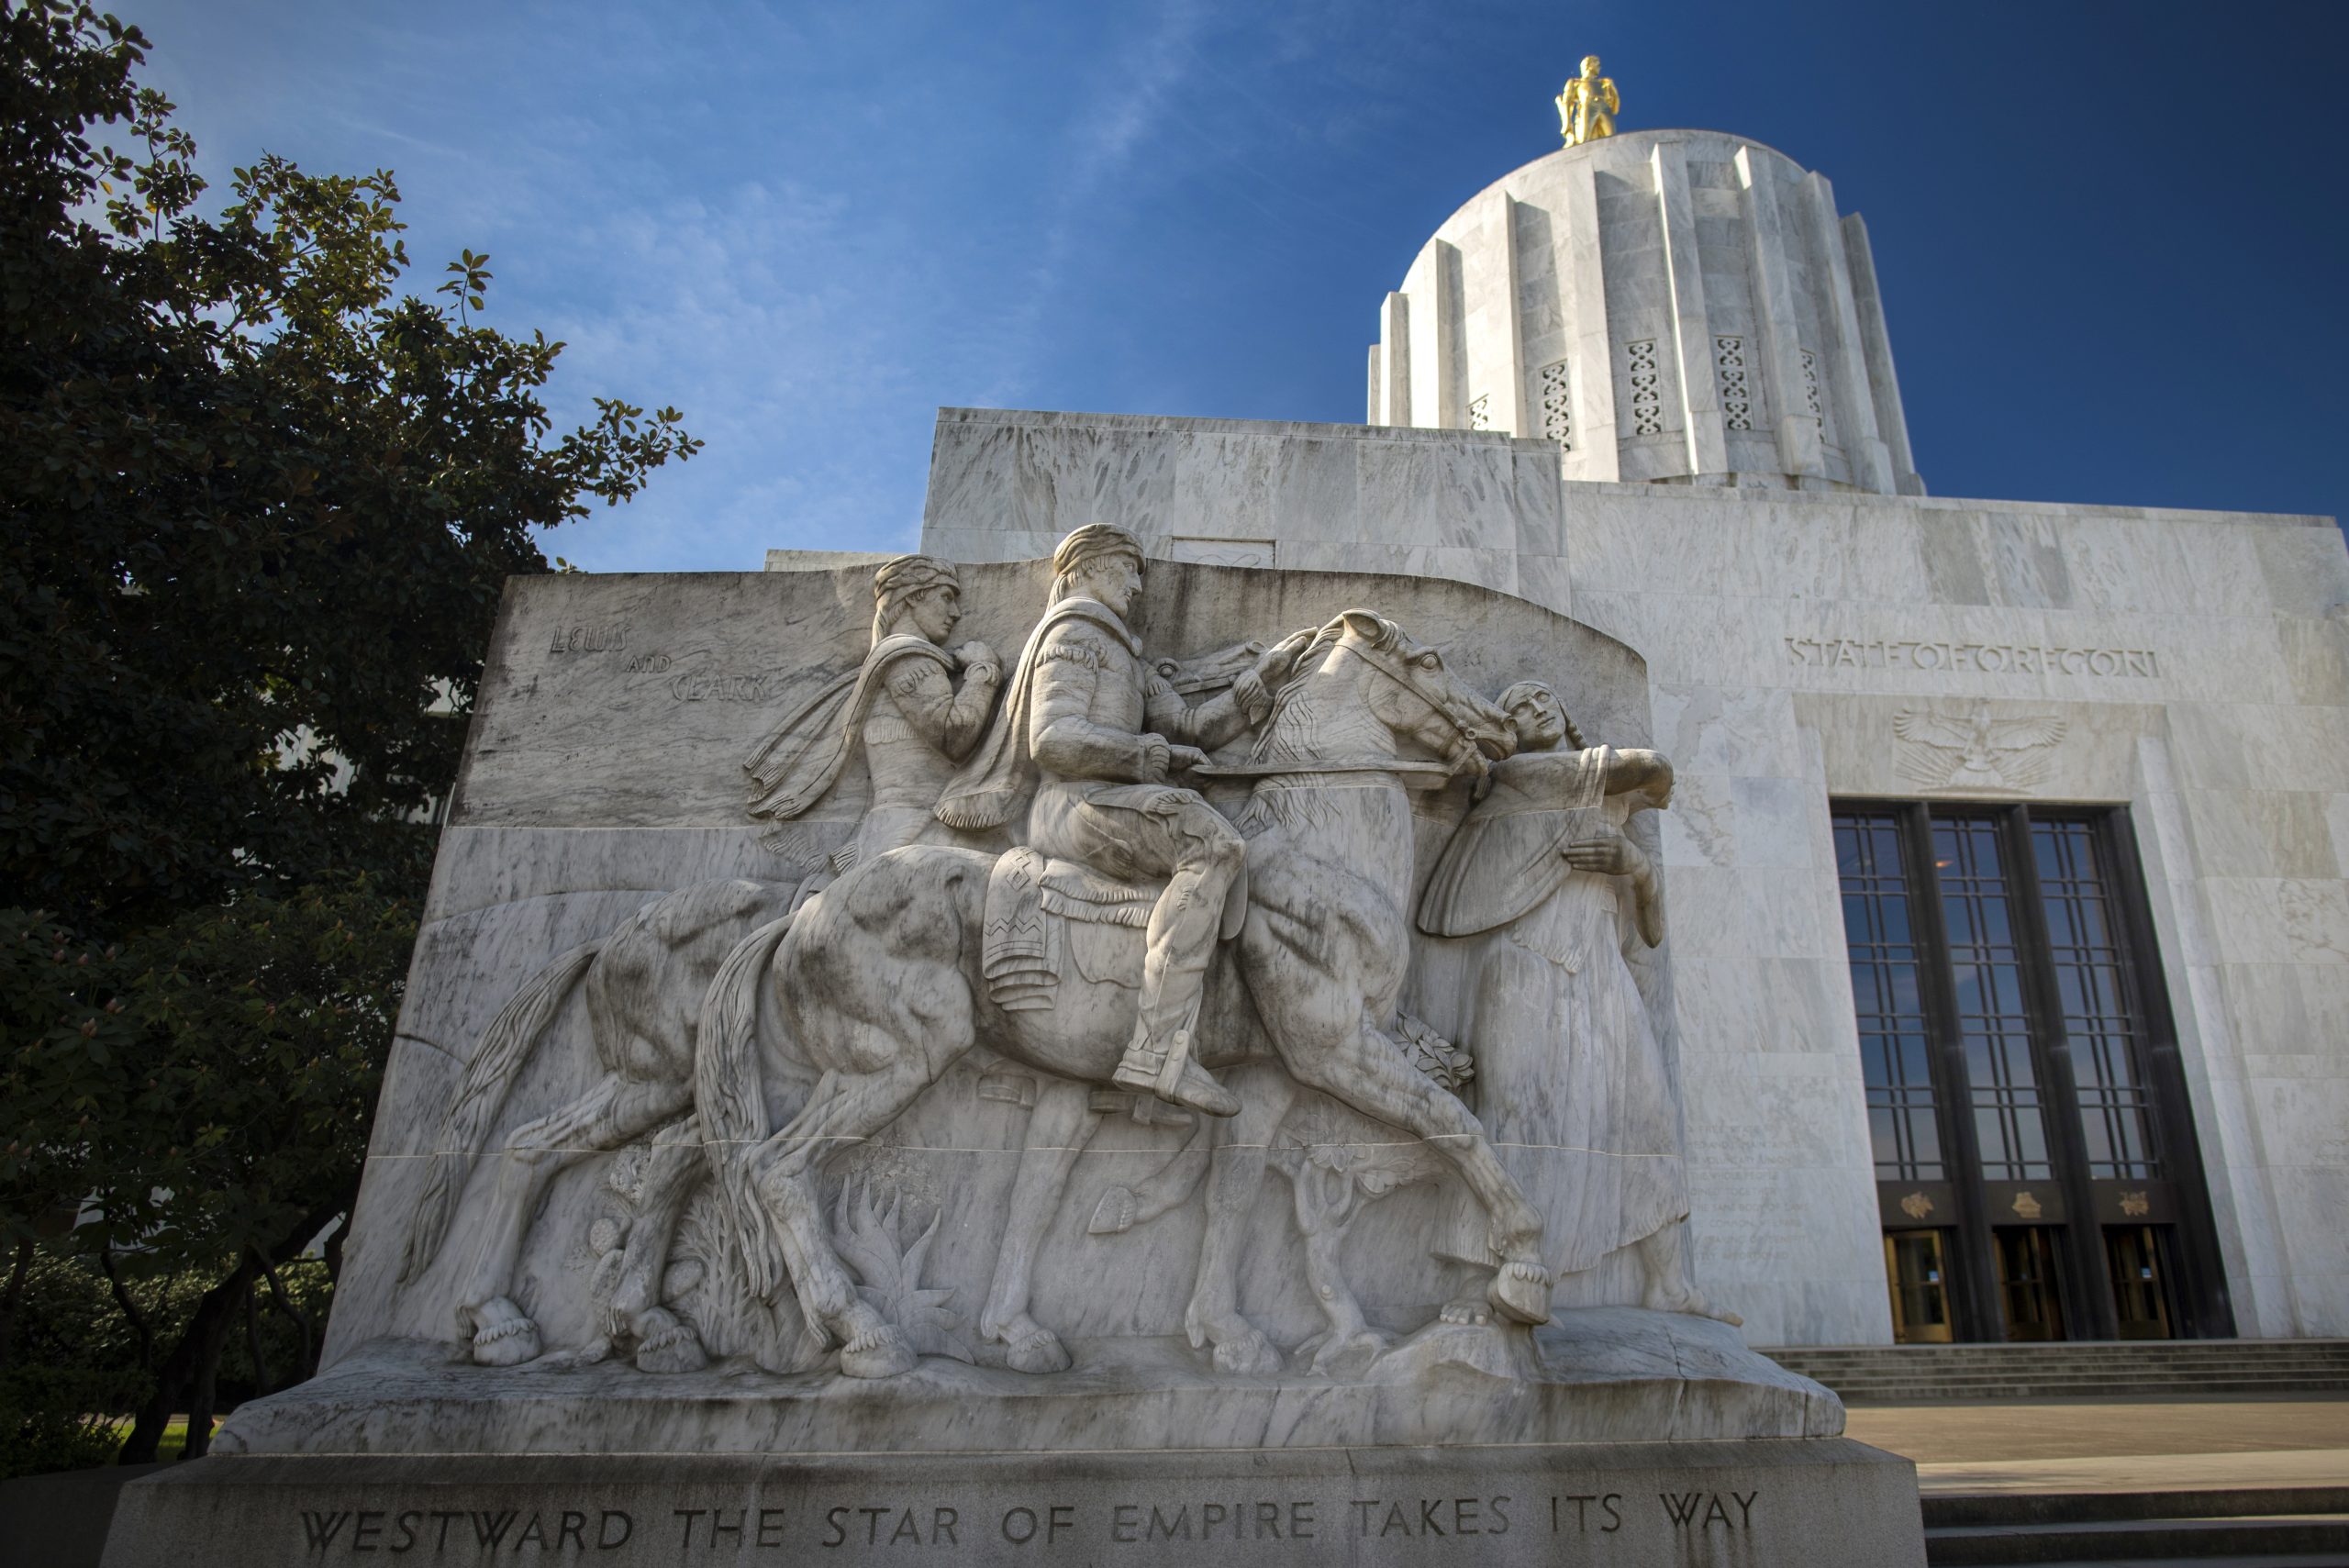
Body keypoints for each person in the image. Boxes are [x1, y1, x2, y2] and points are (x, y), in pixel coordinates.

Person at [937, 524, 1304, 1118]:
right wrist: (1137, 756)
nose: (1136, 585)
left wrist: (1261, 680)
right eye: (1124, 569)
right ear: (1081, 570)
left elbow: (1188, 726)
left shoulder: (1121, 649)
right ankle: (1157, 1051)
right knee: (1213, 844)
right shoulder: (1075, 633)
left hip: (1111, 802)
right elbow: (1052, 739)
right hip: (1074, 805)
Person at [1416, 681, 1736, 1322]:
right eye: (1511, 707)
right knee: (1510, 1109)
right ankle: (1484, 1278)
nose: (1525, 707)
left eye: (1539, 697)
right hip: (1523, 962)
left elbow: (1652, 929)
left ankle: (1666, 1282)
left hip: (1598, 964)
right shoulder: (1516, 781)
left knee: (1645, 1114)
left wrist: (1636, 867)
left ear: (1564, 710)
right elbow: (1650, 769)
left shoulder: (1603, 801)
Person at [744, 555, 1001, 867]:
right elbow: (954, 736)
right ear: (913, 596)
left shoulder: (899, 658)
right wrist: (983, 670)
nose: (955, 613)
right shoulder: (911, 658)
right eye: (946, 597)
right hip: (917, 830)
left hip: (901, 825)